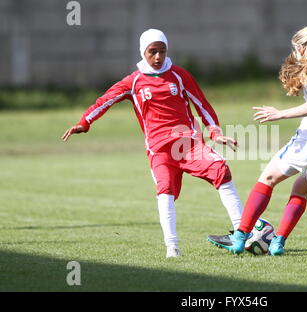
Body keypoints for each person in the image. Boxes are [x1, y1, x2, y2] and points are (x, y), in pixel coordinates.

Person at [62, 29, 243, 258]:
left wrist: (214, 133)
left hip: (188, 146)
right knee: (165, 192)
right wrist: (84, 122)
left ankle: (241, 232)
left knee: (221, 171)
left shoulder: (179, 75)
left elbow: (202, 105)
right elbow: (104, 101)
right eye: (152, 52)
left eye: (162, 51)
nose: (158, 57)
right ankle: (172, 248)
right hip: (160, 151)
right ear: (143, 52)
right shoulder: (134, 81)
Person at [207, 25, 307, 256]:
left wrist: (280, 113)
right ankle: (277, 243)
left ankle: (239, 237)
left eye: (296, 49)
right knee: (300, 190)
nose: (294, 53)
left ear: (302, 47)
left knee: (267, 179)